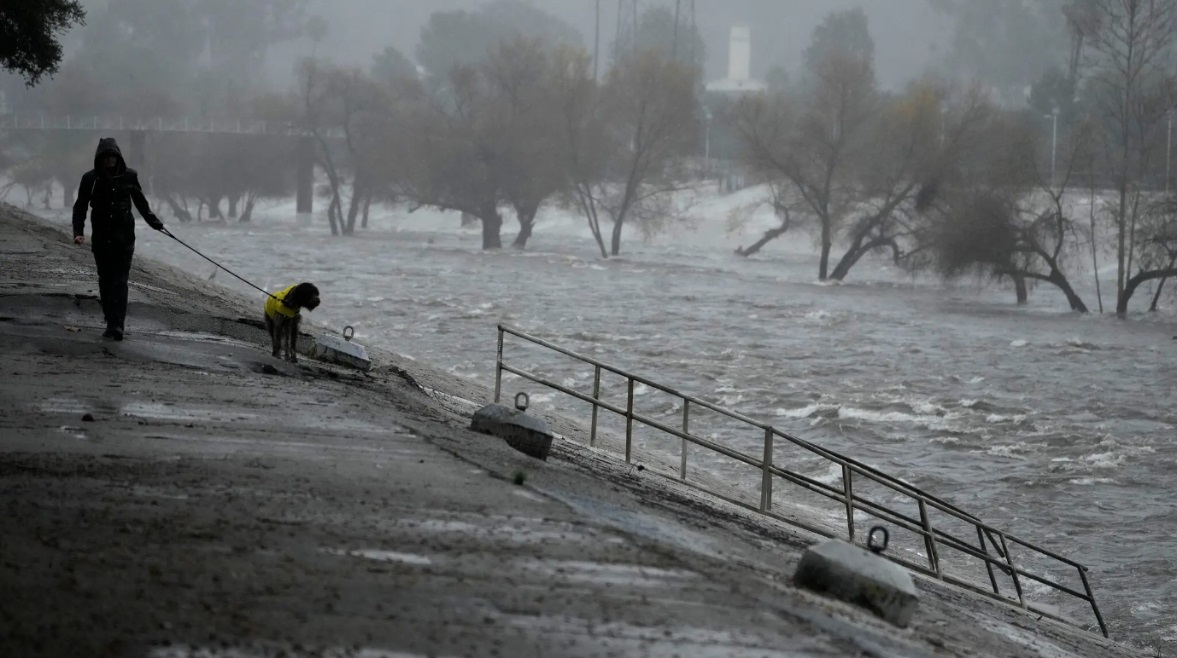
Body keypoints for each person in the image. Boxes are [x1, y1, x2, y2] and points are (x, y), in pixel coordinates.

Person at [72, 137, 165, 341]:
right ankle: (110, 318)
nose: (110, 160)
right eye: (106, 157)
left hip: (124, 239)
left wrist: (155, 223)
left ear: (118, 157)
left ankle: (117, 325)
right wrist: (78, 232)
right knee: (105, 281)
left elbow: (141, 203)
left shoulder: (129, 176)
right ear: (100, 159)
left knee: (120, 282)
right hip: (101, 239)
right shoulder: (90, 179)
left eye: (113, 156)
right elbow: (80, 207)